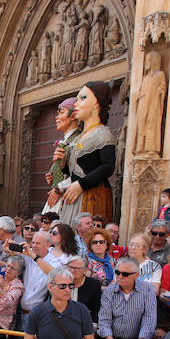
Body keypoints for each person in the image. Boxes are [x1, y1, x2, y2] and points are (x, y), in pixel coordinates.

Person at [57, 81, 115, 224]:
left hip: (92, 195)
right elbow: (75, 169)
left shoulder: (102, 133)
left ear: (96, 104)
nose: (76, 104)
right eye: (76, 99)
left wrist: (82, 184)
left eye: (82, 98)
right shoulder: (78, 137)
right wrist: (63, 163)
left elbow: (108, 166)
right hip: (74, 196)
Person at [43, 97, 82, 214]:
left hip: (68, 198)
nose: (56, 118)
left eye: (61, 112)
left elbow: (81, 172)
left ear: (73, 116)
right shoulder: (67, 140)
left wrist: (59, 188)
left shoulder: (79, 140)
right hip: (58, 197)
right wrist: (53, 175)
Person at [67, 255, 101, 324]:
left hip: (84, 324)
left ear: (85, 271)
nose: (72, 270)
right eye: (70, 267)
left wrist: (92, 327)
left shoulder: (93, 285)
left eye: (77, 268)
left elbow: (96, 310)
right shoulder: (60, 282)